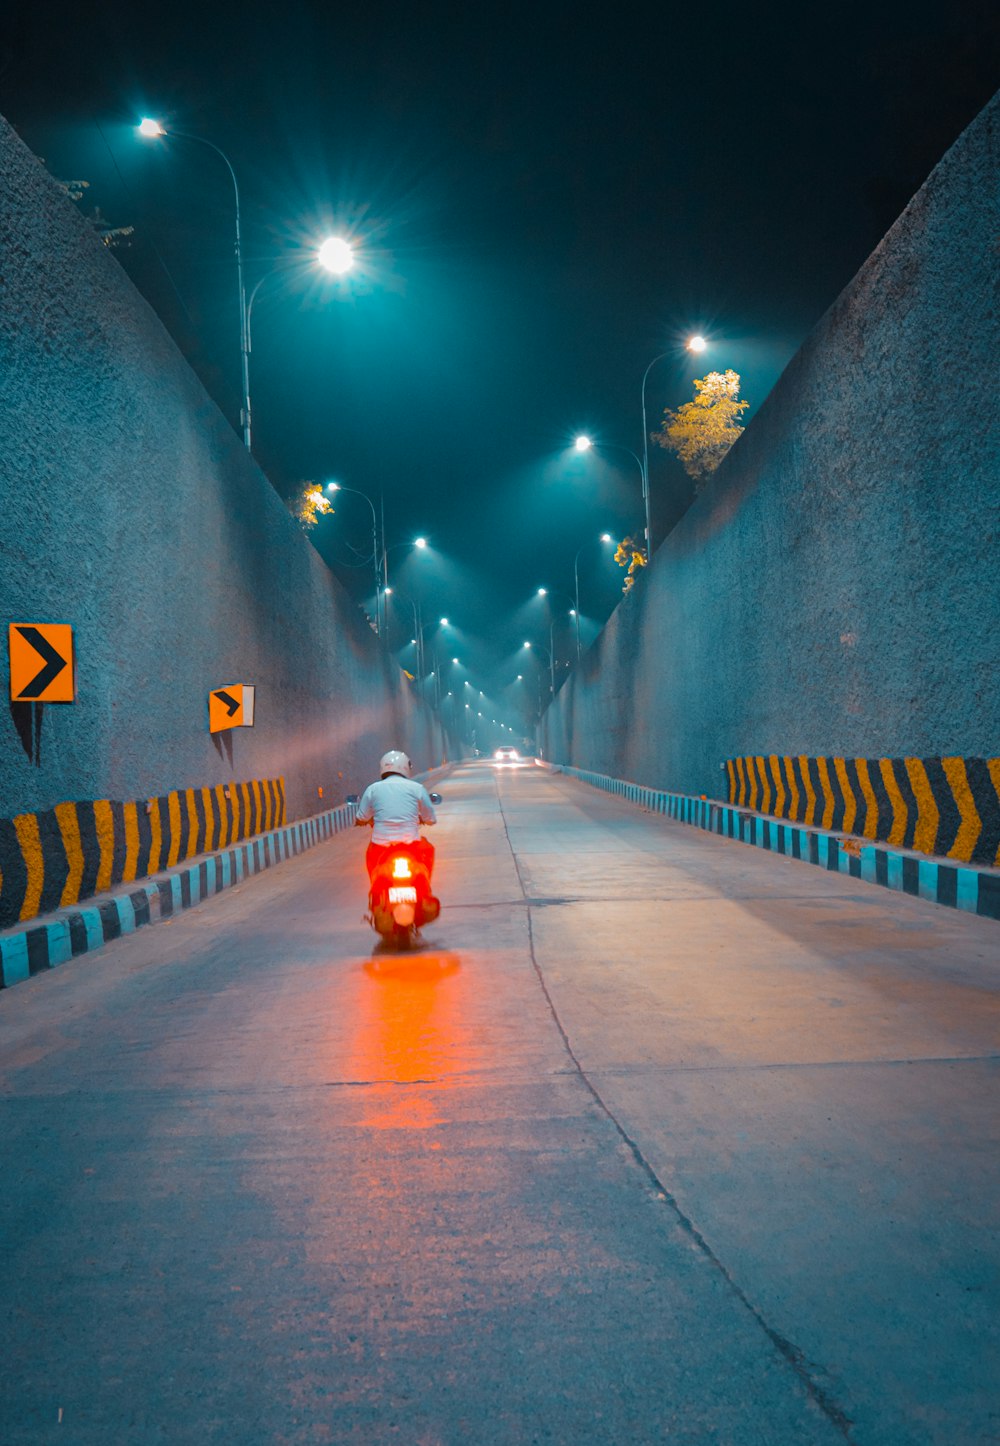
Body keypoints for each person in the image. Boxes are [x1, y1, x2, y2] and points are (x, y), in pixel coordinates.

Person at [354, 750, 437, 885]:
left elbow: (362, 816)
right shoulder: (417, 788)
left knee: (370, 855)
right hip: (411, 844)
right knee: (428, 849)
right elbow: (430, 818)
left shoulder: (373, 789)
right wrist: (423, 819)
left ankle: (376, 890)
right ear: (406, 767)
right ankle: (425, 884)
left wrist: (364, 821)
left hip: (381, 844)